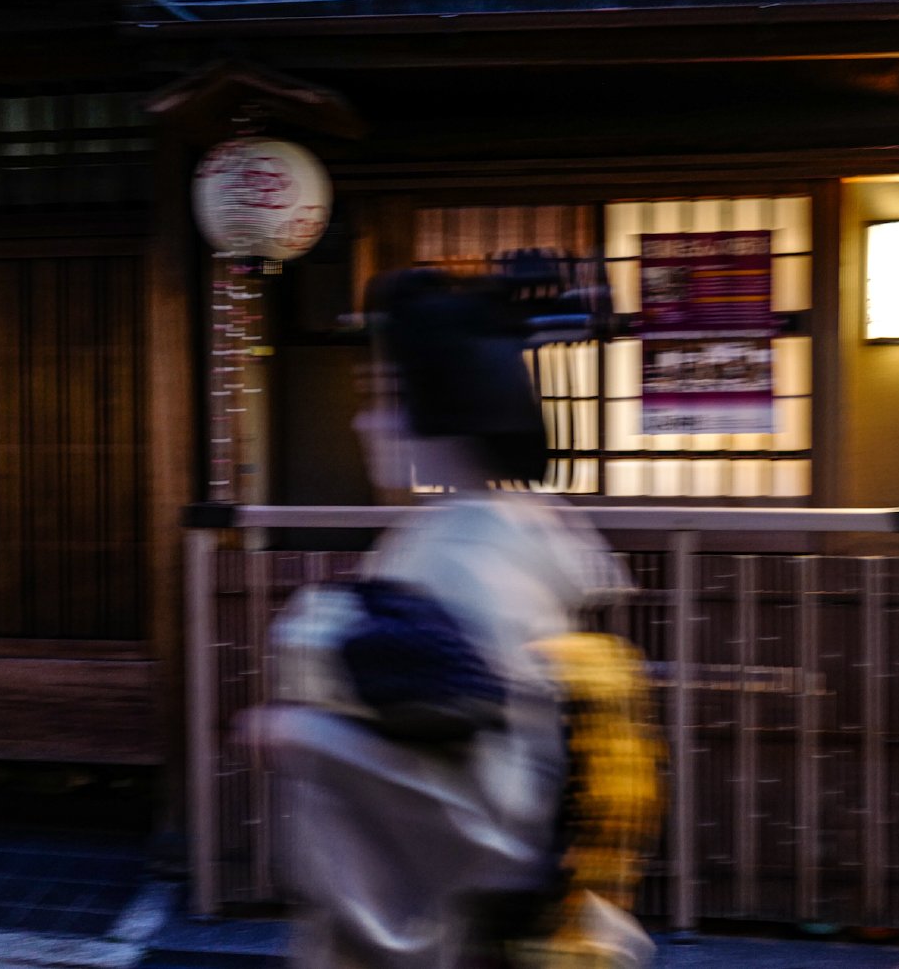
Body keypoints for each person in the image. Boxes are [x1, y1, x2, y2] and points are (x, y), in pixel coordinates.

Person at [251, 268, 652, 969]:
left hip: (473, 930)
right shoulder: (533, 530)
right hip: (547, 909)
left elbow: (469, 798)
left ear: (430, 409)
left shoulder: (454, 555)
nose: (361, 421)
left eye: (380, 398)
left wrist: (303, 731)